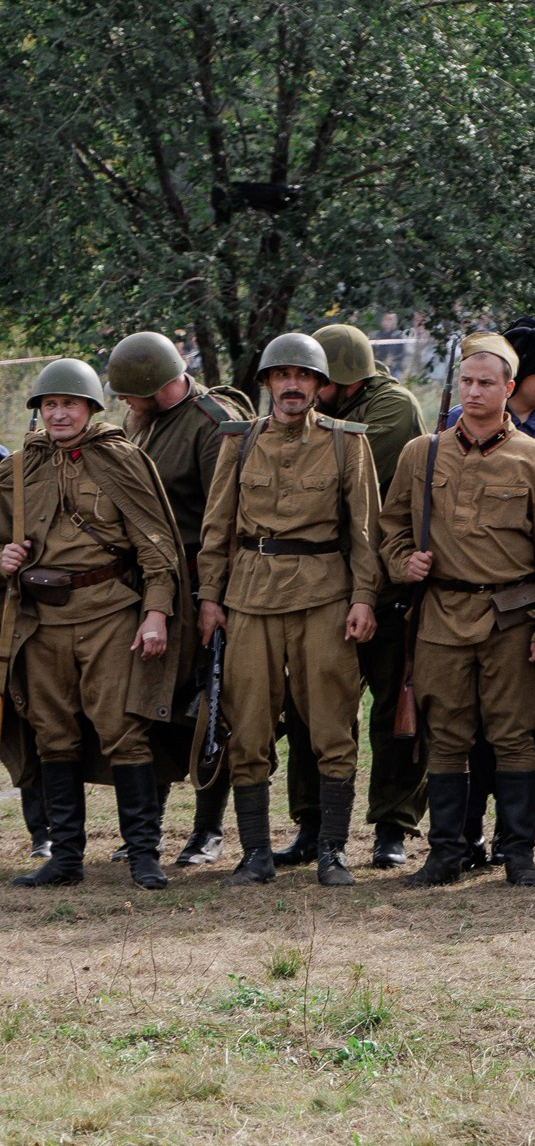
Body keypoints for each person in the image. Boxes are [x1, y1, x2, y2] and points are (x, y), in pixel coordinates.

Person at [379, 333, 535, 886]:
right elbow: (390, 527)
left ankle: (518, 854)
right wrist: (404, 564)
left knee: (513, 736)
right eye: (466, 381)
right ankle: (445, 854)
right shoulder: (423, 452)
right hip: (441, 615)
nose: (473, 392)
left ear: (509, 388)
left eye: (486, 383)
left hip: (512, 619)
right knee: (446, 737)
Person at [195, 333, 381, 886]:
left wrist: (364, 598)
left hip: (323, 595)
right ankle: (255, 853)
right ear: (268, 383)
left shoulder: (347, 444)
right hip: (250, 597)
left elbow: (365, 532)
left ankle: (332, 850)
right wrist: (210, 597)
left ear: (321, 386)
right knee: (247, 726)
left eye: (304, 376)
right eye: (282, 376)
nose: (292, 385)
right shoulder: (240, 440)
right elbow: (217, 527)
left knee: (331, 725)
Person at [2, 359, 185, 889]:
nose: (59, 414)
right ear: (39, 412)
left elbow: (156, 548)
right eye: (50, 405)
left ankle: (143, 854)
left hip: (109, 614)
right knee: (51, 735)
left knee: (124, 732)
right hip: (40, 620)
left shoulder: (121, 459)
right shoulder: (18, 467)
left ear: (90, 409)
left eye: (70, 404)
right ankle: (65, 858)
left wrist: (156, 613)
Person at [101, 330, 252, 868]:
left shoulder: (212, 424)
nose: (121, 403)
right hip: (152, 584)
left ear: (155, 385)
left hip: (202, 583)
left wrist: (214, 595)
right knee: (150, 701)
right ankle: (150, 826)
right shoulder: (141, 421)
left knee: (213, 709)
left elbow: (227, 517)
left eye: (128, 393)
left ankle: (208, 830)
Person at [446, 319, 535, 871]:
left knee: (528, 727)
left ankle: (516, 840)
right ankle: (461, 838)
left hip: (532, 609)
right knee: (461, 728)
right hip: (461, 611)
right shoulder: (451, 433)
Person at [307, 323, 427, 867]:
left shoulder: (392, 408)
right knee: (320, 709)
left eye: (316, 378)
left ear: (343, 379)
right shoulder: (337, 409)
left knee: (393, 709)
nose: (306, 388)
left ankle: (393, 827)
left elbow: (330, 467)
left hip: (385, 582)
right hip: (328, 581)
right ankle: (313, 825)